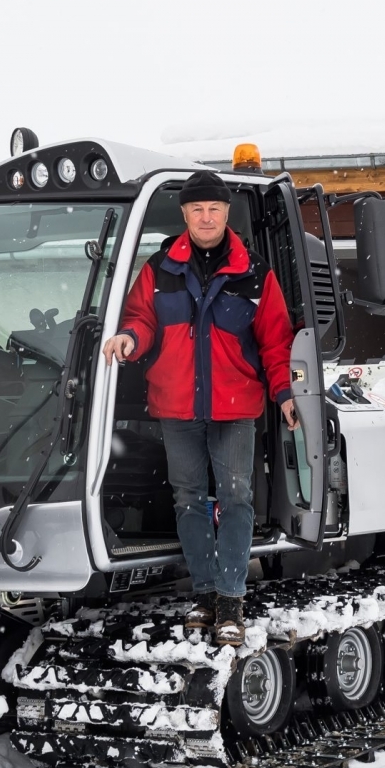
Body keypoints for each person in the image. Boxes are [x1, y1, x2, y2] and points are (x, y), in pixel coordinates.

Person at [103, 171, 298, 646]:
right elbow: (141, 318)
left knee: (235, 500)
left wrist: (286, 394)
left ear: (226, 213)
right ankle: (205, 594)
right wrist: (129, 338)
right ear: (186, 215)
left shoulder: (254, 273)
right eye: (196, 209)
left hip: (235, 407)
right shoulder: (159, 268)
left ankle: (231, 600)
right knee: (188, 501)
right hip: (176, 406)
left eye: (214, 208)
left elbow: (276, 342)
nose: (205, 217)